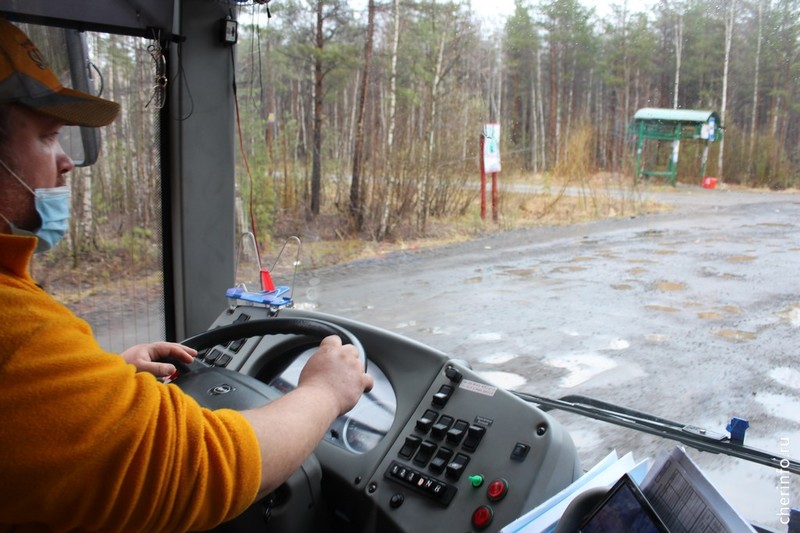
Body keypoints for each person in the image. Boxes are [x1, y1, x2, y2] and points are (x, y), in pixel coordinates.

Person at [0, 19, 374, 532]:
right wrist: (325, 393)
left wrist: (101, 384)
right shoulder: (17, 332)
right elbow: (203, 465)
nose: (67, 162)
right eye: (46, 137)